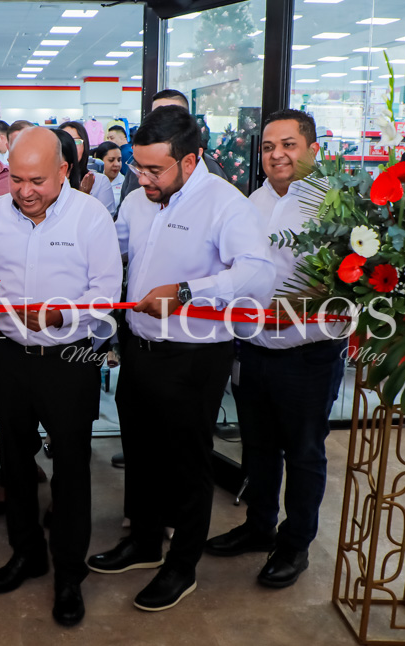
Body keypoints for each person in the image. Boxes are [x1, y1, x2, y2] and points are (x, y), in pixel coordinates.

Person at [87, 105, 274, 612]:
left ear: (189, 162)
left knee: (189, 464)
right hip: (140, 347)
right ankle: (144, 542)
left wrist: (191, 290)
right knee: (141, 451)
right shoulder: (139, 199)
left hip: (194, 356)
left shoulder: (225, 205)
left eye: (154, 170)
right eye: (136, 167)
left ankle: (181, 565)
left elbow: (257, 271)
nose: (142, 179)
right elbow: (115, 248)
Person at [0, 126, 122, 627]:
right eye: (19, 180)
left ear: (64, 172)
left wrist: (59, 316)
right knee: (15, 459)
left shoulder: (91, 217)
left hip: (70, 359)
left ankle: (70, 573)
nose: (24, 191)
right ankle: (27, 553)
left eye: (38, 181)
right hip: (8, 354)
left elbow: (107, 296)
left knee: (71, 467)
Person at [205, 109, 346, 589]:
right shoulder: (249, 203)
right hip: (254, 348)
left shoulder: (336, 205)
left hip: (310, 354)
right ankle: (258, 526)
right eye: (267, 147)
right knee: (259, 448)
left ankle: (296, 543)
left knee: (304, 453)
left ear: (311, 149)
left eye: (288, 145)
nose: (276, 155)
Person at [119, 90, 228, 204]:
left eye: (155, 170)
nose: (143, 179)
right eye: (157, 115)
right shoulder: (137, 171)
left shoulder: (211, 170)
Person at [59, 121, 115, 214]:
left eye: (76, 141)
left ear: (85, 145)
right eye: (65, 142)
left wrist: (83, 197)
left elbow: (104, 222)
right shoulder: (48, 182)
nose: (71, 146)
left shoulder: (99, 181)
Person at [94, 141, 124, 216]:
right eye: (111, 160)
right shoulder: (91, 181)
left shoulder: (125, 183)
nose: (116, 164)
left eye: (119, 160)